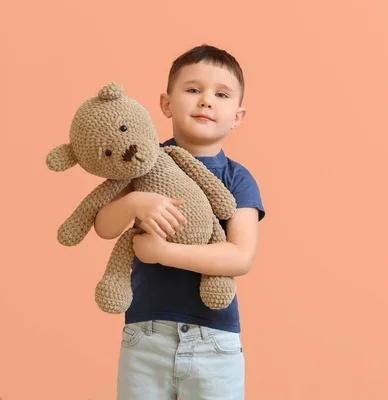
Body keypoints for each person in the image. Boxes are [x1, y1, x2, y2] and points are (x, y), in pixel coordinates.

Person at [93, 44, 266, 400]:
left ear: (237, 116)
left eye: (221, 94)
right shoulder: (142, 163)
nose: (205, 101)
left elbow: (240, 257)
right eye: (193, 90)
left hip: (215, 340)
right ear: (167, 104)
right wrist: (135, 202)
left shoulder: (238, 179)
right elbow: (103, 226)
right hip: (146, 335)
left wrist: (163, 252)